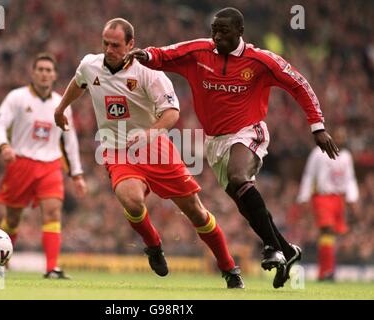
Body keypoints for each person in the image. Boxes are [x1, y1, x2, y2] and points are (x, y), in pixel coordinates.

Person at [124, 7, 340, 288]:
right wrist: (146, 55)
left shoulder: (260, 60)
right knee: (243, 201)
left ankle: (271, 248)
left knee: (239, 178)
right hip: (214, 142)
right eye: (213, 30)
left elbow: (299, 84)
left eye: (223, 31)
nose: (216, 37)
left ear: (240, 31)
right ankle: (287, 251)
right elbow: (165, 55)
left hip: (249, 131)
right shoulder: (199, 53)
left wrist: (318, 126)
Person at [54, 18, 244, 288]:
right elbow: (78, 82)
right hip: (117, 148)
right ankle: (154, 245)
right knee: (131, 200)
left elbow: (172, 113)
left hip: (155, 148)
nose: (109, 49)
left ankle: (228, 267)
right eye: (105, 43)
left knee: (196, 213)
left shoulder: (148, 72)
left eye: (116, 45)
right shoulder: (90, 65)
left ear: (131, 44)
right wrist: (60, 108)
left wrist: (150, 133)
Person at [0, 52, 87, 279]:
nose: (44, 74)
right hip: (20, 163)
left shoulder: (62, 103)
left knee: (53, 213)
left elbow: (69, 141)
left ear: (55, 75)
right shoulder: (17, 98)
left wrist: (77, 174)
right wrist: (3, 146)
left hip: (51, 165)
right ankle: (0, 263)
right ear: (32, 73)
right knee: (13, 219)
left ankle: (52, 268)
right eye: (40, 69)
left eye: (48, 70)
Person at [297, 127, 359, 281]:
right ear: (331, 137)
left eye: (342, 136)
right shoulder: (318, 153)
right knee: (327, 230)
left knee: (331, 235)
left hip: (338, 199)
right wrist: (304, 197)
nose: (339, 139)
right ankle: (326, 272)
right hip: (322, 197)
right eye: (337, 136)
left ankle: (327, 270)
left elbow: (350, 178)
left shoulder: (346, 156)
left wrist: (352, 198)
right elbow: (309, 174)